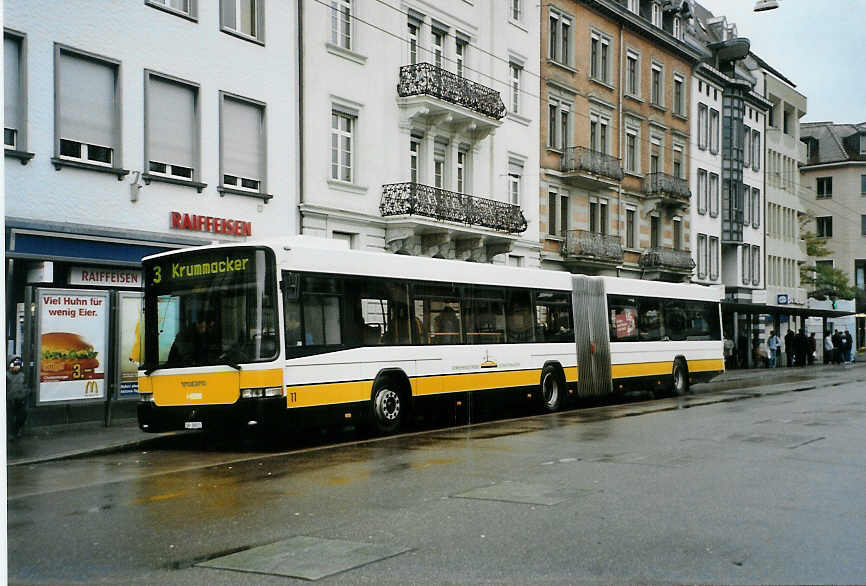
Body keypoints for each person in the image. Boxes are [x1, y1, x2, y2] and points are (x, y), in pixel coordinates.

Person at [7, 356, 30, 440]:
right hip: (10, 400)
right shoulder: (6, 375)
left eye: (19, 364)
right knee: (9, 418)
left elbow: (26, 386)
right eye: (15, 364)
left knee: (22, 416)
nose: (17, 366)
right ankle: (11, 434)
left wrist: (26, 392)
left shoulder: (22, 375)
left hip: (21, 400)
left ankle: (16, 431)